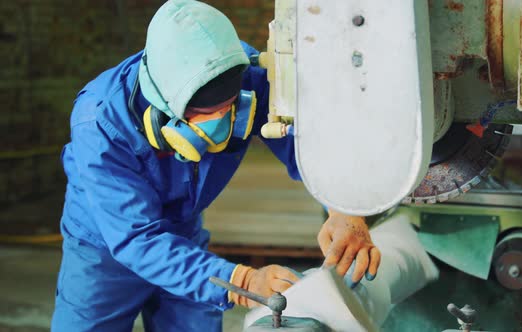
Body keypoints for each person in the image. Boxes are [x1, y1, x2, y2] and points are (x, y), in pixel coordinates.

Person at [51, 1, 381, 331]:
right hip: (104, 247)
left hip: (184, 230)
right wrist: (242, 280)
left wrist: (342, 208)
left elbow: (304, 147)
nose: (221, 122)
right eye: (203, 115)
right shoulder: (100, 122)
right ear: (163, 105)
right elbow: (137, 239)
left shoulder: (244, 74)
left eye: (229, 108)